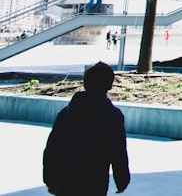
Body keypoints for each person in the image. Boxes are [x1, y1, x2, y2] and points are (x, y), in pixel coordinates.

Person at [43, 61, 130, 195]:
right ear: (110, 85)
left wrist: (49, 179)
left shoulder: (66, 113)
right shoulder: (112, 115)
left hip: (65, 179)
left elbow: (52, 148)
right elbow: (118, 151)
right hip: (95, 180)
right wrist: (122, 180)